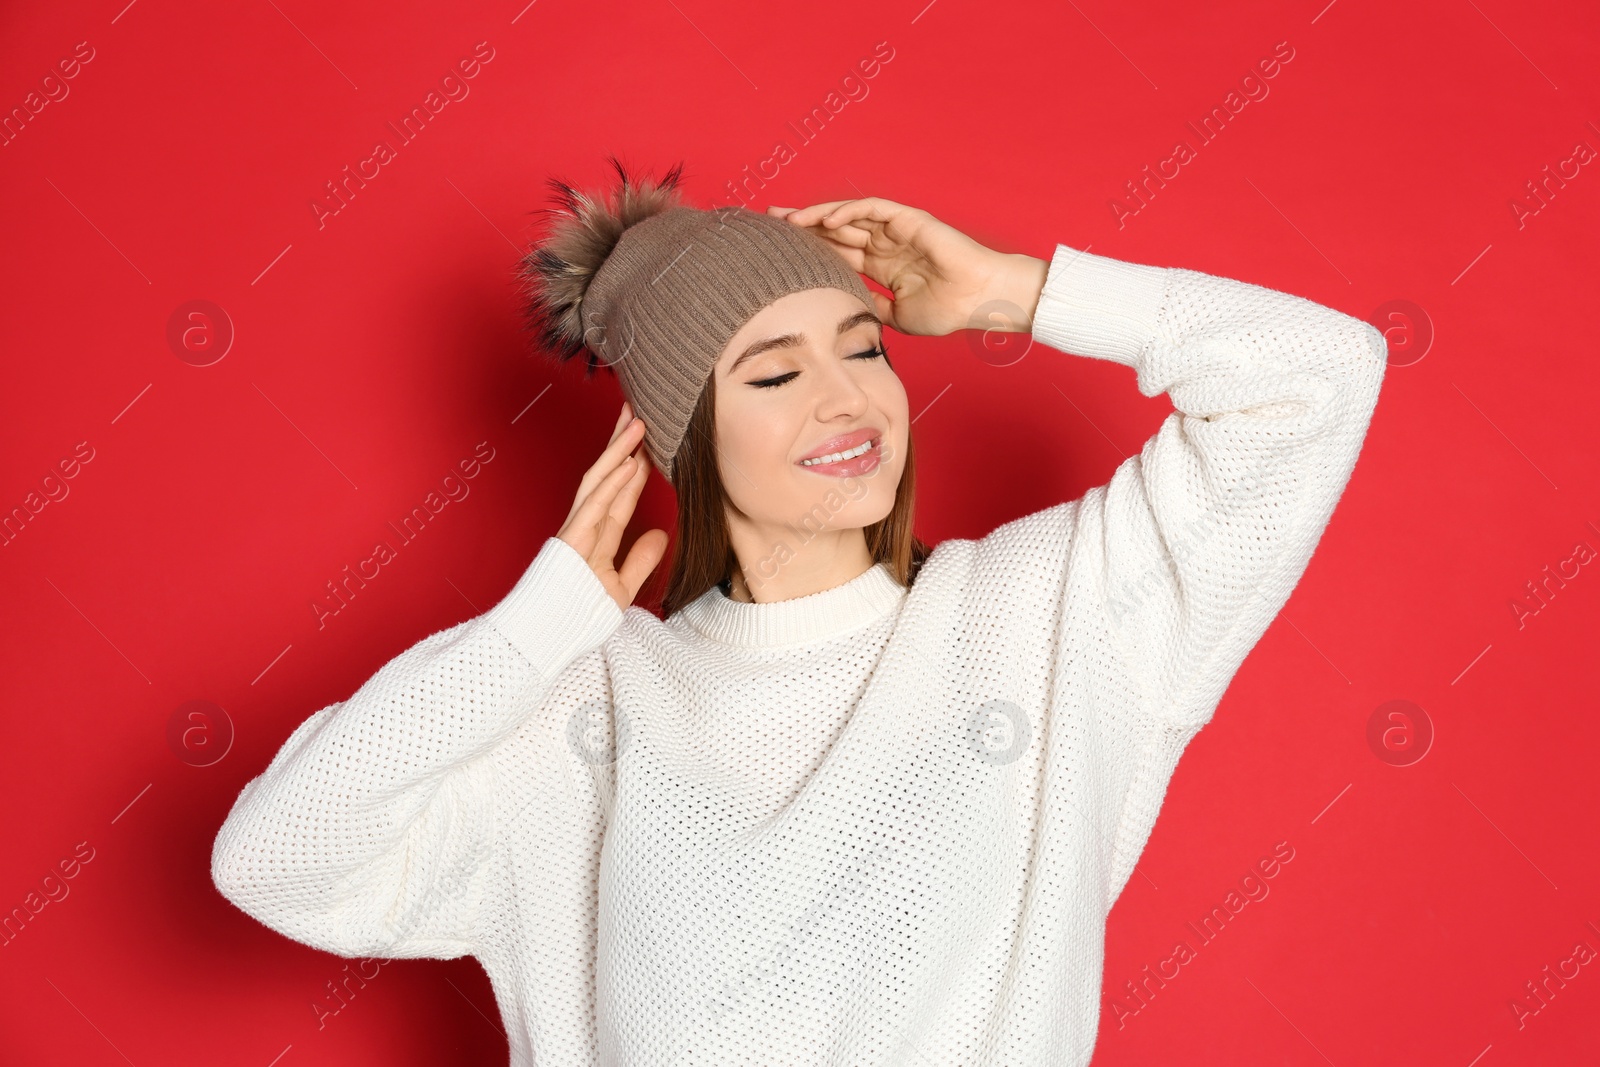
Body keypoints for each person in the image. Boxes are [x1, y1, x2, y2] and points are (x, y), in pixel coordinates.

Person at [210, 157, 1387, 1066]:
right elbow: (276, 857)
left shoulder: (1053, 614)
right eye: (772, 373)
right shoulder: (590, 696)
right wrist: (539, 623)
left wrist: (1015, 290)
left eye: (862, 346)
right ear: (682, 439)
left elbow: (1317, 376)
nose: (846, 399)